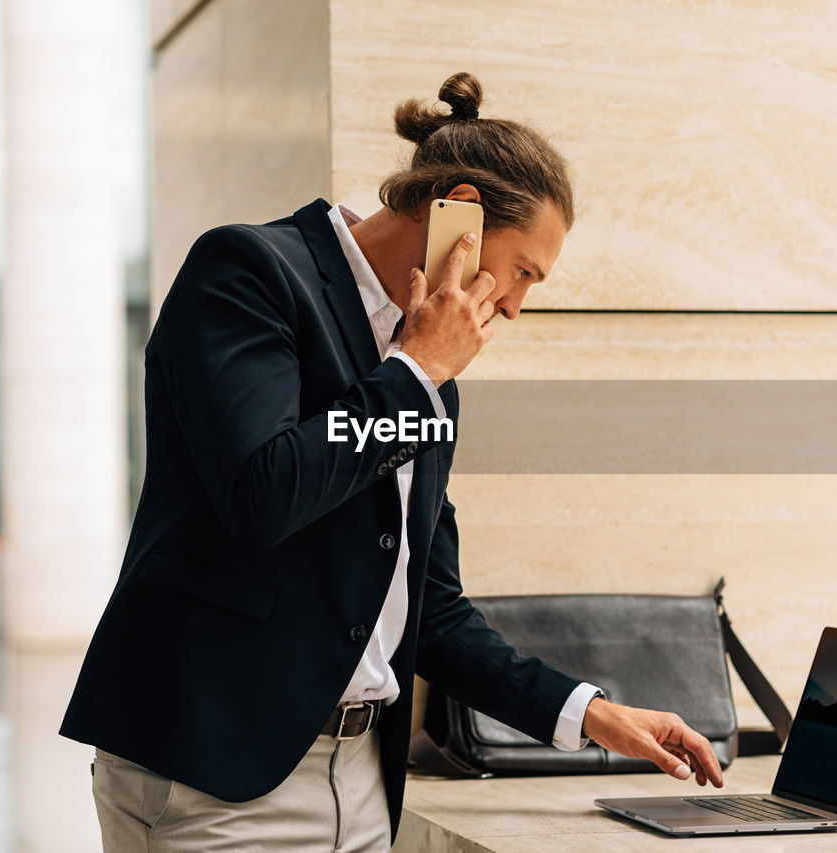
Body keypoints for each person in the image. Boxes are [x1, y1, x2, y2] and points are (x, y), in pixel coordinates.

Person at [60, 71, 723, 852]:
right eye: (523, 273)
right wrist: (412, 374)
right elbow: (263, 489)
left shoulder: (428, 369)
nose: (513, 305)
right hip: (218, 781)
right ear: (463, 214)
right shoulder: (250, 275)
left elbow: (433, 610)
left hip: (366, 784)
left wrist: (594, 713)